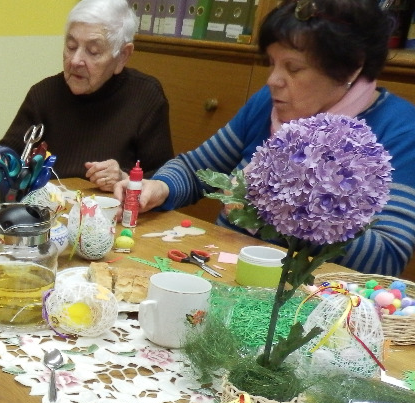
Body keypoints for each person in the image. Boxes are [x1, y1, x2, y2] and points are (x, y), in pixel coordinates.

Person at [128, 0, 415, 277]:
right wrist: (160, 187)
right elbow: (196, 170)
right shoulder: (268, 104)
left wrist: (297, 207)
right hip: (225, 269)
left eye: (293, 68)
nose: (273, 80)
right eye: (272, 63)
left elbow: (386, 258)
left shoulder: (398, 129)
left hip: (310, 297)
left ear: (351, 67)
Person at [0, 0, 173, 192]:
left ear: (123, 56)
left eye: (93, 51)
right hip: (48, 207)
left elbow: (164, 183)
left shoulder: (145, 97)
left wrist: (125, 179)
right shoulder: (43, 95)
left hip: (113, 209)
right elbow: (3, 162)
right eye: (71, 46)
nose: (75, 61)